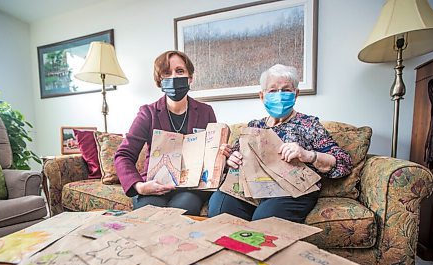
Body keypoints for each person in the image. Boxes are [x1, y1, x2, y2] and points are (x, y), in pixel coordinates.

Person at [208, 64, 352, 223]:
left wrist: (307, 155)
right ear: (262, 96)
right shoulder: (254, 126)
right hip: (253, 189)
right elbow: (232, 158)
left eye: (286, 90)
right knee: (220, 205)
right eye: (273, 90)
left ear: (296, 94)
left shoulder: (308, 124)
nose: (280, 95)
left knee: (265, 219)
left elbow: (343, 162)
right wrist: (231, 159)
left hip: (292, 191)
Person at [114, 50, 216, 215]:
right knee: (150, 214)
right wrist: (139, 186)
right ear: (160, 81)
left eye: (180, 71)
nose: (174, 77)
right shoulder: (148, 113)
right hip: (154, 184)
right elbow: (123, 155)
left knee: (183, 209)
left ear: (190, 78)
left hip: (190, 188)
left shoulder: (206, 112)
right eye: (167, 73)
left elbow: (212, 153)